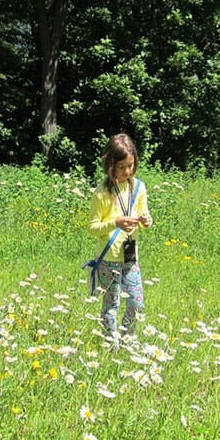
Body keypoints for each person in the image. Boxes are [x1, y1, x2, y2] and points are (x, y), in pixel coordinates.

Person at [87, 133, 153, 345]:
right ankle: (111, 345)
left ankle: (127, 339)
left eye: (131, 166)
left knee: (136, 302)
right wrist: (116, 222)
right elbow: (92, 228)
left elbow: (145, 214)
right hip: (108, 259)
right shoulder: (101, 193)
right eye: (122, 167)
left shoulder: (139, 187)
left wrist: (146, 220)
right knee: (111, 305)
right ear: (110, 165)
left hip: (130, 257)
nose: (128, 171)